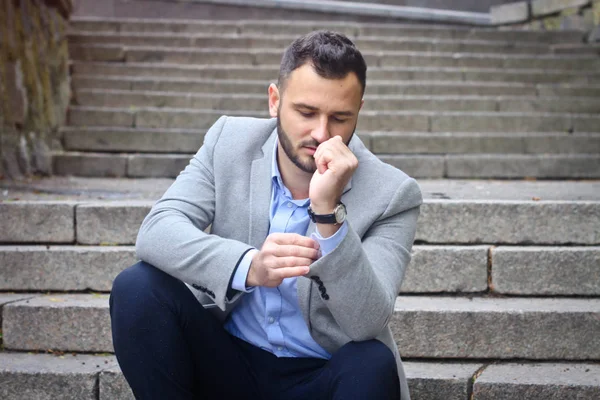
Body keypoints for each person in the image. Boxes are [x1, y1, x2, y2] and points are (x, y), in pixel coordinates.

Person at [109, 30, 422, 400]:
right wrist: (248, 266)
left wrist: (328, 215)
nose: (321, 133)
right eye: (306, 112)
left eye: (340, 117)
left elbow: (367, 321)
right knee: (137, 287)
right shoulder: (229, 141)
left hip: (324, 376)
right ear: (275, 100)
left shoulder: (393, 193)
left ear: (359, 112)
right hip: (228, 364)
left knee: (371, 360)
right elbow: (157, 231)